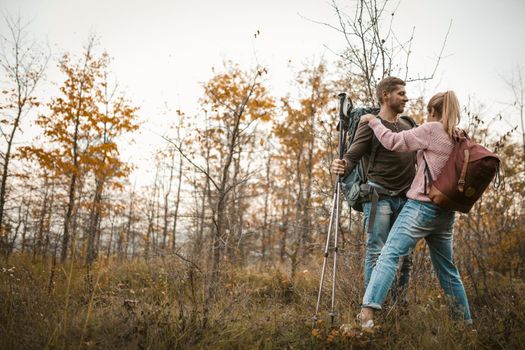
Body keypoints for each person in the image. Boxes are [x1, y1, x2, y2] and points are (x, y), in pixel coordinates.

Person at [357, 90, 472, 328]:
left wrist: (373, 120)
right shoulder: (459, 136)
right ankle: (464, 325)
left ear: (432, 112)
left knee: (388, 255)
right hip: (445, 213)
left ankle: (367, 314)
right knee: (447, 270)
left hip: (420, 208)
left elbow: (392, 141)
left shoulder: (431, 130)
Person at [332, 77, 416, 298]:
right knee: (376, 253)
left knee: (405, 256)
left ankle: (399, 307)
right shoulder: (370, 124)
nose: (406, 98)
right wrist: (342, 165)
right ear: (385, 95)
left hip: (407, 200)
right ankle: (371, 307)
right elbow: (352, 155)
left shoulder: (409, 125)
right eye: (401, 93)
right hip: (379, 198)